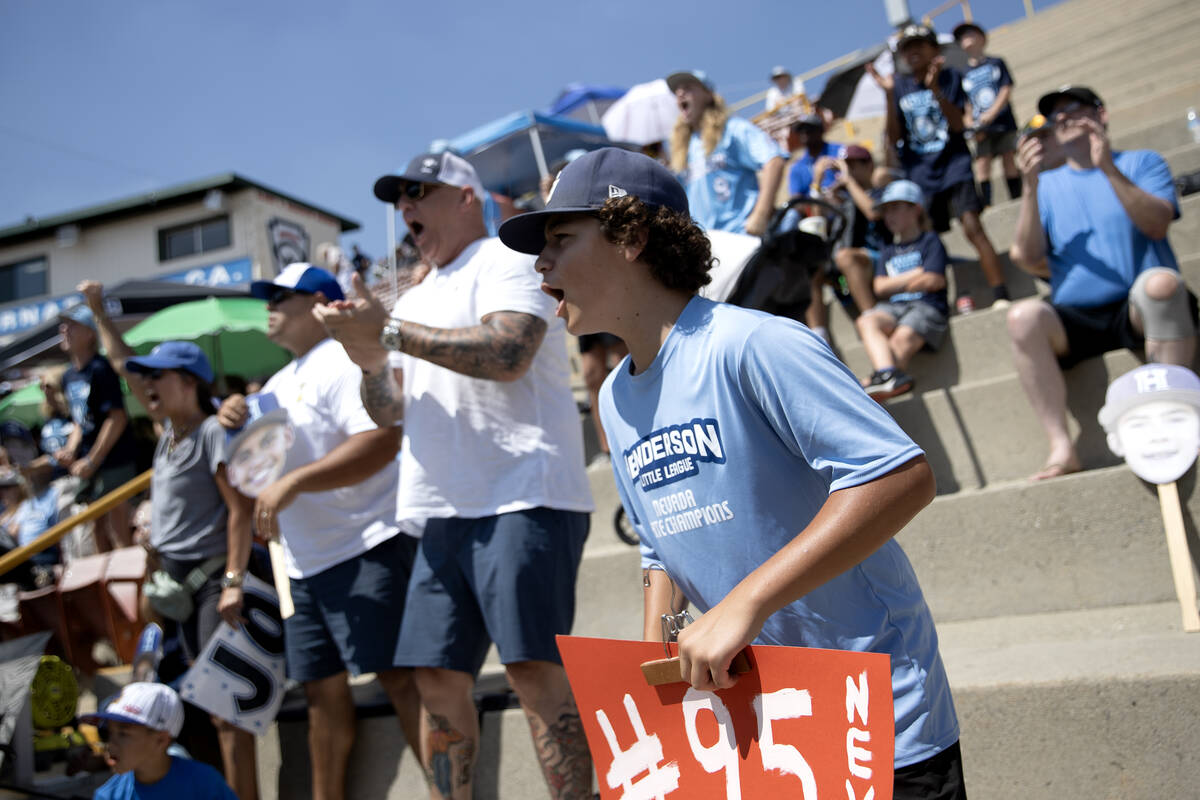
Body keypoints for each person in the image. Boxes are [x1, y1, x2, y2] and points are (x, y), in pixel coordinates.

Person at [497, 146, 966, 799]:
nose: (540, 262)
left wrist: (744, 603)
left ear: (631, 237)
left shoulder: (756, 344)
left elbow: (899, 478)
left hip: (879, 724)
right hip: (769, 729)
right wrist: (653, 681)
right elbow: (660, 547)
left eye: (560, 239)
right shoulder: (611, 398)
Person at [313, 149, 594, 800]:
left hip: (524, 494)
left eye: (420, 191)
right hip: (442, 510)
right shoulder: (418, 293)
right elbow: (388, 412)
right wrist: (368, 361)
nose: (405, 207)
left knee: (532, 672)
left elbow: (508, 352)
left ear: (466, 196)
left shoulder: (508, 257)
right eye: (398, 198)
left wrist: (386, 330)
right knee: (435, 680)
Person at [215, 263, 420, 800]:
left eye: (283, 295)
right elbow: (251, 483)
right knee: (322, 698)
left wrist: (294, 485)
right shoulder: (276, 385)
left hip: (368, 546)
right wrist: (232, 424)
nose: (271, 305)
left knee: (403, 682)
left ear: (321, 303)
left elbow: (381, 442)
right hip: (304, 566)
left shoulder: (343, 358)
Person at [79, 281, 259, 800]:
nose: (145, 384)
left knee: (228, 717)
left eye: (157, 375)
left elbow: (239, 509)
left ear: (188, 381)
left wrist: (232, 582)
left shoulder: (211, 431)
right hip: (168, 585)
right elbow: (120, 365)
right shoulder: (167, 433)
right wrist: (98, 313)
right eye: (146, 375)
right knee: (164, 703)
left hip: (209, 585)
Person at [1007, 85, 1196, 480]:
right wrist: (1029, 186)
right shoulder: (1047, 186)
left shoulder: (1142, 162)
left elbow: (1157, 224)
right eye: (1055, 115)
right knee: (1021, 316)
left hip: (1140, 307)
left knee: (1161, 285)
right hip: (1076, 317)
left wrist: (1107, 167)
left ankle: (1173, 415)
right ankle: (1062, 446)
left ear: (1101, 114)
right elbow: (1025, 256)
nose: (1063, 118)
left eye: (1073, 109)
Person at [867, 23, 1009, 312]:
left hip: (954, 164)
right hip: (920, 173)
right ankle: (945, 298)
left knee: (972, 225)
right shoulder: (899, 86)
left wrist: (935, 90)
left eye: (919, 44)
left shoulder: (951, 77)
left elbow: (958, 125)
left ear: (934, 49)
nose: (913, 51)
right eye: (907, 47)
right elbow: (894, 138)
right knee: (929, 237)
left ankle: (1000, 293)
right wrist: (887, 95)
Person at [855, 179, 950, 399]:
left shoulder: (930, 241)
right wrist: (917, 273)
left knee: (900, 339)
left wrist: (895, 284)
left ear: (916, 209)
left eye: (895, 208)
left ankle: (873, 385)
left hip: (926, 307)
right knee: (866, 321)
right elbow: (879, 287)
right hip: (894, 308)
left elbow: (934, 281)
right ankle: (887, 375)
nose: (889, 216)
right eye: (886, 210)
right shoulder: (888, 250)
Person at [55, 304, 139, 551]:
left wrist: (92, 460)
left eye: (72, 325)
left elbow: (117, 417)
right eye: (63, 325)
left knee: (118, 530)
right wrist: (70, 449)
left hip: (114, 460)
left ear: (90, 333)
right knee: (96, 531)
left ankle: (130, 587)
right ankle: (103, 589)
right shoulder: (68, 375)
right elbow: (81, 420)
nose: (64, 330)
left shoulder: (101, 368)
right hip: (91, 463)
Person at [667, 69, 786, 236]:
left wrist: (761, 214)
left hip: (740, 234)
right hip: (704, 243)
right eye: (676, 91)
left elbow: (774, 161)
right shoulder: (683, 149)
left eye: (688, 88)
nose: (680, 93)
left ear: (708, 94)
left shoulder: (733, 129)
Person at [84, 682, 237, 800]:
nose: (111, 744)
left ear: (161, 740)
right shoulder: (109, 796)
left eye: (123, 734)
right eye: (109, 733)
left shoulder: (205, 783)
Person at [953, 21, 1022, 207]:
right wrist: (969, 123)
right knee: (983, 163)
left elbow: (1006, 88)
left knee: (1009, 157)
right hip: (980, 128)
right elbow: (966, 103)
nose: (967, 40)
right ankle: (987, 203)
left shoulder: (996, 63)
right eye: (962, 38)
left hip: (1003, 122)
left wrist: (992, 112)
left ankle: (1017, 197)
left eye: (970, 35)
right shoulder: (962, 73)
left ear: (982, 38)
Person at [0, 466, 59, 589]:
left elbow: (21, 540)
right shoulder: (4, 515)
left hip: (33, 563)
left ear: (19, 488)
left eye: (7, 488)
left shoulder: (28, 507)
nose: (2, 493)